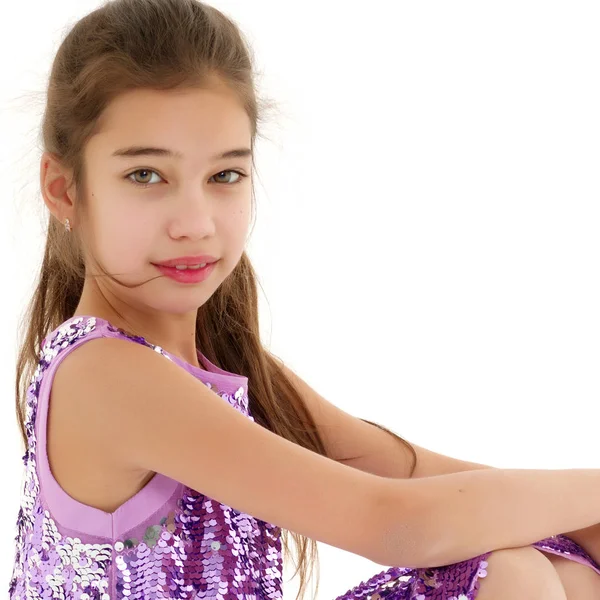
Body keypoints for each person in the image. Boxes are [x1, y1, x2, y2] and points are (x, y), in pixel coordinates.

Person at [8, 0, 600, 598]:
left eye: (224, 176)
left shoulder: (216, 362)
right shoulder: (103, 373)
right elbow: (396, 524)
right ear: (65, 189)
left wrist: (583, 523)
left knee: (553, 566)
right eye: (146, 176)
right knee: (515, 572)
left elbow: (410, 472)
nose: (195, 223)